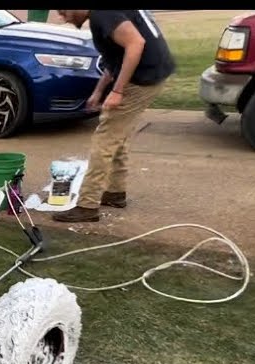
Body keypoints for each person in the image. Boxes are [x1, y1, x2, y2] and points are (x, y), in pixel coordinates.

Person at [51, 10, 176, 223]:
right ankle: (115, 193)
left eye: (64, 11)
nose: (64, 18)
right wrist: (99, 91)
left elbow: (135, 44)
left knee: (105, 140)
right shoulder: (104, 13)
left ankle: (87, 205)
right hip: (151, 74)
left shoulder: (103, 14)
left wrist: (117, 91)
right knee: (118, 136)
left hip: (141, 79)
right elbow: (116, 57)